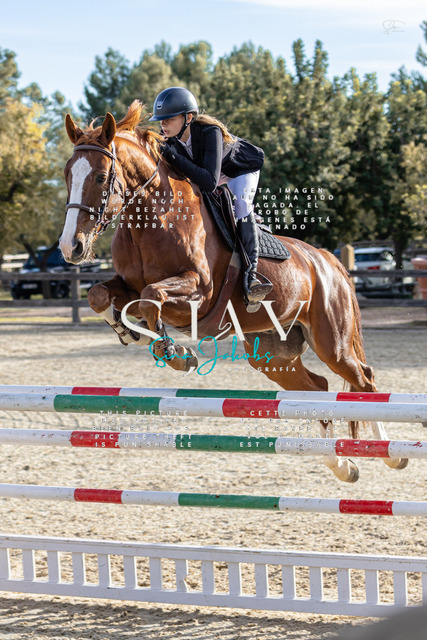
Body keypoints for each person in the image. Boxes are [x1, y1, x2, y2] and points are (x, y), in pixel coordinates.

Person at [149, 86, 272, 312]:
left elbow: (208, 182)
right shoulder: (171, 141)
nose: (163, 124)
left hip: (239, 171)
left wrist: (172, 156)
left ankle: (251, 276)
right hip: (211, 173)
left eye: (169, 119)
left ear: (188, 118)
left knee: (241, 204)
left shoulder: (209, 132)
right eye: (161, 120)